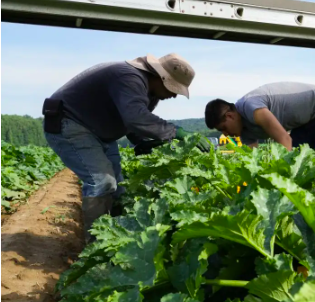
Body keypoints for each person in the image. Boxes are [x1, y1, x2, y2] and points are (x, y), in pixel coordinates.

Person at [42, 53, 209, 241]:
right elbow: (135, 118)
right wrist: (176, 132)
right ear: (160, 77)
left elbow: (130, 120)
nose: (173, 95)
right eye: (173, 89)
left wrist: (141, 141)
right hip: (70, 123)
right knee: (102, 183)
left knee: (119, 189)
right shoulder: (129, 77)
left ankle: (121, 238)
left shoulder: (149, 91)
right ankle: (97, 247)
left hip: (99, 132)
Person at [204, 82, 315, 164]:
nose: (226, 134)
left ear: (230, 116)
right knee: (296, 165)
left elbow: (284, 139)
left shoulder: (252, 107)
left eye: (224, 128)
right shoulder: (244, 131)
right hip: (303, 124)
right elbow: (253, 161)